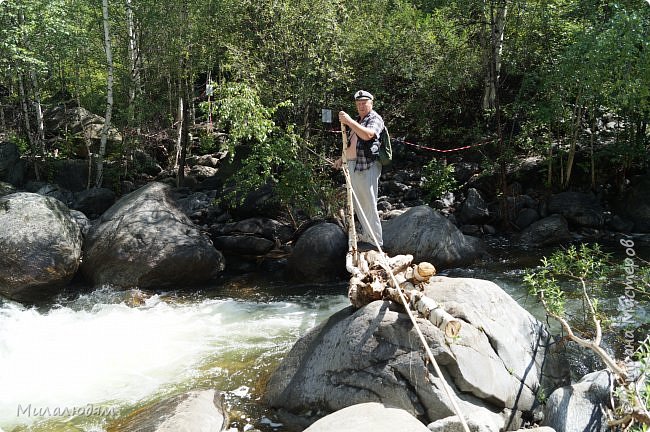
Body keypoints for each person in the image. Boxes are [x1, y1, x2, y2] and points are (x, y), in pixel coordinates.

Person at [333, 90, 384, 249]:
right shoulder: (358, 120)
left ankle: (376, 243)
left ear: (371, 103)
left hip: (366, 166)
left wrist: (348, 122)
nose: (361, 106)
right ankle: (368, 236)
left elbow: (368, 135)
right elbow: (352, 145)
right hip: (353, 166)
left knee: (368, 204)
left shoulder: (374, 118)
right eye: (358, 104)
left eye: (364, 103)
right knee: (359, 203)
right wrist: (342, 159)